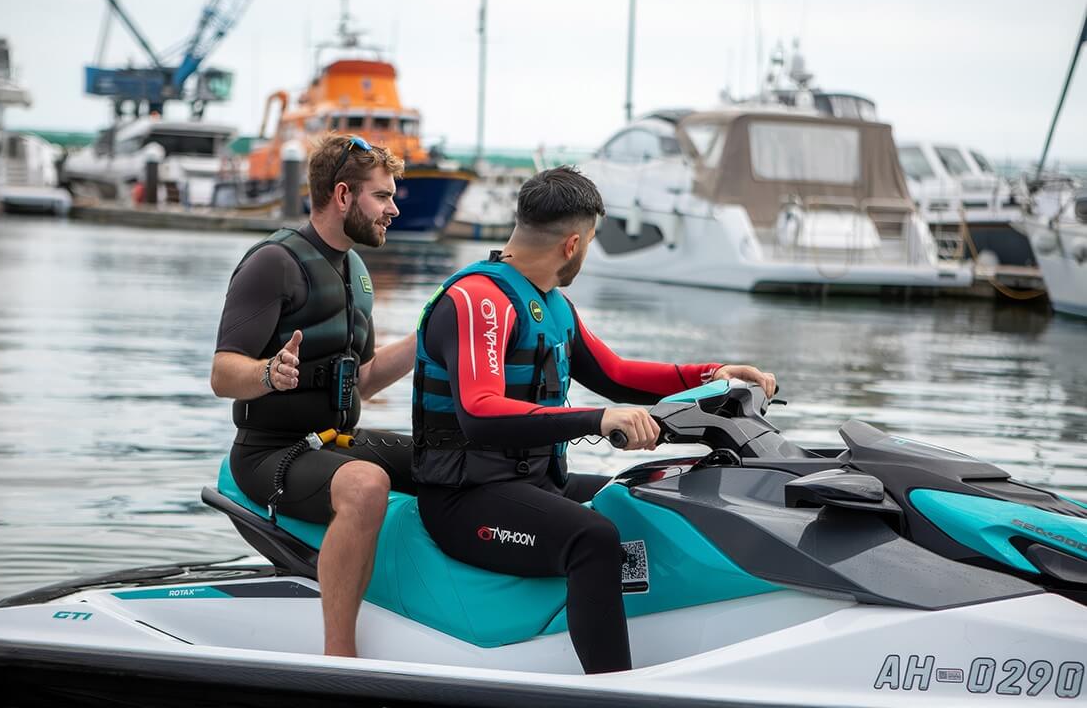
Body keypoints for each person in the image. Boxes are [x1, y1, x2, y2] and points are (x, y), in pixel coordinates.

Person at [410, 166, 775, 674]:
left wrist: (712, 374)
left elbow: (616, 374)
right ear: (573, 244)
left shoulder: (553, 305)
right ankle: (613, 690)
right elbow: (479, 410)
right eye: (592, 241)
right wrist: (598, 420)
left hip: (533, 482)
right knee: (593, 538)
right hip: (463, 500)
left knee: (647, 496)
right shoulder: (478, 301)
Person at [210, 133, 419, 658]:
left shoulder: (358, 273)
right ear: (343, 195)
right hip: (269, 452)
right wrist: (267, 374)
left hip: (332, 441)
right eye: (382, 196)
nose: (393, 209)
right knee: (366, 485)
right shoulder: (274, 262)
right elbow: (222, 373)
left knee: (446, 457)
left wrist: (429, 336)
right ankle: (339, 654)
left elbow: (363, 380)